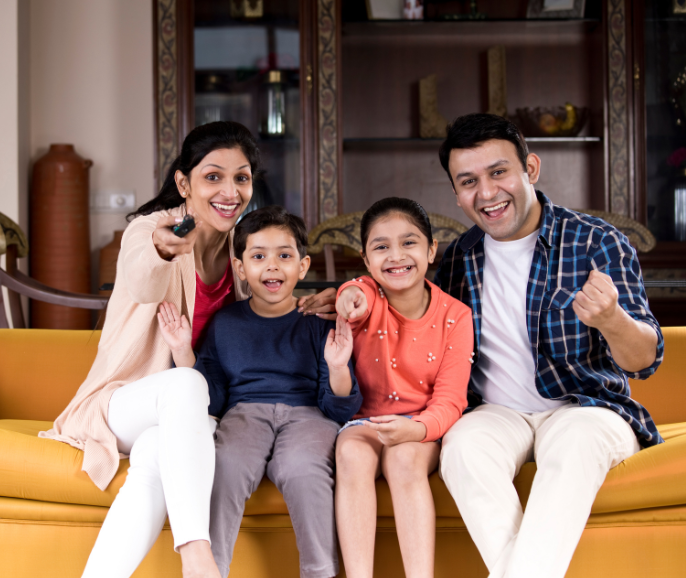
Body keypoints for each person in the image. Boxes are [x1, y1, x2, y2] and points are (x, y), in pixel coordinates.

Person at [38, 122, 336, 578]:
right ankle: (198, 556)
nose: (230, 190)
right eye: (212, 176)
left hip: (187, 418)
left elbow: (264, 307)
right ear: (184, 182)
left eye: (241, 177)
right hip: (126, 402)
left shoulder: (242, 253)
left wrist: (311, 304)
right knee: (185, 385)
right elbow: (141, 275)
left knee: (159, 454)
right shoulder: (150, 229)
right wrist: (161, 247)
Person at [434, 113, 664, 578]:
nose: (487, 193)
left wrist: (613, 320)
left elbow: (644, 361)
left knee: (575, 443)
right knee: (460, 449)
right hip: (496, 413)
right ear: (456, 194)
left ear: (530, 169)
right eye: (469, 181)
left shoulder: (597, 242)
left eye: (499, 172)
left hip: (587, 408)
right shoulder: (459, 257)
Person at [157, 205, 363, 578]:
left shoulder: (318, 323)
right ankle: (211, 569)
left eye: (284, 256)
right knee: (227, 464)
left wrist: (336, 367)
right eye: (258, 256)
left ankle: (321, 572)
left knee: (301, 468)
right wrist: (181, 350)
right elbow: (213, 398)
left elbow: (338, 409)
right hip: (244, 414)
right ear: (240, 268)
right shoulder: (225, 323)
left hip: (308, 416)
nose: (272, 266)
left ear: (302, 267)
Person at [333, 197, 474, 578]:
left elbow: (450, 400)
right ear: (366, 259)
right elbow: (355, 295)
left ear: (431, 251)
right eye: (381, 247)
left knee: (404, 459)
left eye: (409, 243)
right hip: (365, 423)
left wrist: (416, 429)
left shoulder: (456, 317)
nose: (396, 256)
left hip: (419, 426)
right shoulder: (367, 299)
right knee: (351, 454)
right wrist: (349, 293)